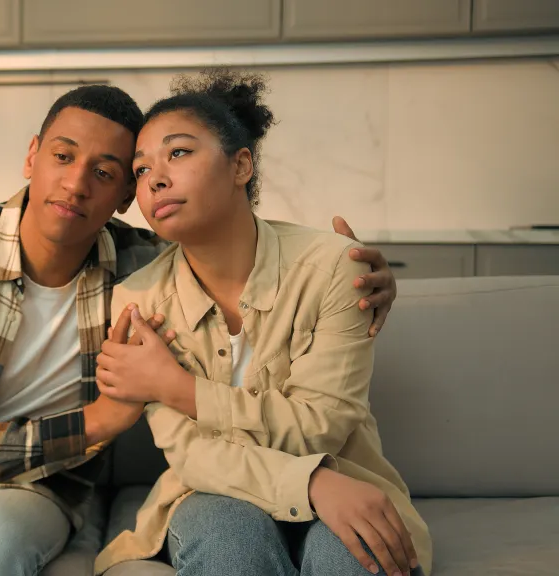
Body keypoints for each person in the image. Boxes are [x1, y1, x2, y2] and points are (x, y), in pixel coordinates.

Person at [0, 83, 400, 576]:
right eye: (62, 155)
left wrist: (371, 281)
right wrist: (96, 424)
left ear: (123, 199)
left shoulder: (145, 267)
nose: (77, 182)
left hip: (37, 486)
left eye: (110, 173)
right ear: (32, 157)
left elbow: (229, 240)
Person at [93, 70, 431, 576]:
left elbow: (322, 428)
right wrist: (311, 484)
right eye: (140, 170)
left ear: (241, 164)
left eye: (179, 153)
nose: (155, 178)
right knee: (230, 542)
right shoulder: (138, 299)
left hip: (346, 479)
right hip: (213, 493)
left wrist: (179, 388)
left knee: (352, 558)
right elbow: (194, 456)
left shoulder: (335, 267)